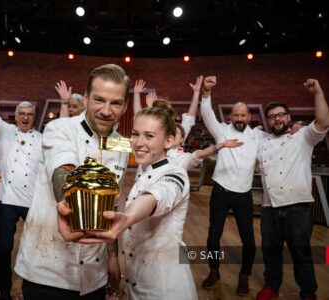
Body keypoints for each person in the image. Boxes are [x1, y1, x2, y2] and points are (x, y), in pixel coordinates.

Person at [14, 64, 131, 299]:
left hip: (93, 273)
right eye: (99, 100)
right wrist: (66, 204)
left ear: (125, 105)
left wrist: (112, 257)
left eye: (116, 103)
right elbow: (62, 167)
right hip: (48, 268)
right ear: (86, 98)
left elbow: (112, 203)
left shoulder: (122, 145)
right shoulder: (59, 128)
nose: (106, 111)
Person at [61, 99, 197, 299]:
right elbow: (91, 140)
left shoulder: (175, 173)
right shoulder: (144, 168)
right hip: (137, 283)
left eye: (149, 136)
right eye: (135, 134)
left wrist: (126, 218)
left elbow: (158, 195)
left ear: (168, 141)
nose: (139, 142)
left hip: (166, 288)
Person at [0, 58, 43, 299]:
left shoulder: (43, 138)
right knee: (3, 248)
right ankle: (3, 290)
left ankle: (32, 288)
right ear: (15, 115)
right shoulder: (5, 131)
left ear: (35, 116)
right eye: (21, 113)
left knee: (35, 246)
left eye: (29, 114)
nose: (25, 117)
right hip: (7, 200)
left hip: (33, 201)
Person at [256, 79, 329, 300]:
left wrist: (317, 91)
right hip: (269, 208)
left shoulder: (303, 137)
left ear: (288, 117)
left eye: (281, 115)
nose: (277, 119)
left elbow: (324, 122)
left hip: (298, 207)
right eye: (272, 117)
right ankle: (272, 287)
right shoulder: (262, 140)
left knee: (301, 253)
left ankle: (308, 293)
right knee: (270, 252)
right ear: (268, 121)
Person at [200, 76, 265, 296]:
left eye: (243, 115)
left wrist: (293, 129)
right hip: (220, 192)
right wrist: (207, 93)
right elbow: (207, 115)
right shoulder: (222, 131)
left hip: (243, 196)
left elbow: (279, 139)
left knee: (248, 239)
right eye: (235, 114)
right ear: (230, 117)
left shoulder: (258, 137)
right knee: (213, 237)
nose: (239, 118)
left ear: (249, 117)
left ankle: (244, 276)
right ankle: (214, 270)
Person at [133, 76, 203, 144]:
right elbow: (139, 118)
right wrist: (137, 95)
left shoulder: (178, 130)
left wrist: (196, 93)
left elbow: (190, 117)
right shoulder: (153, 131)